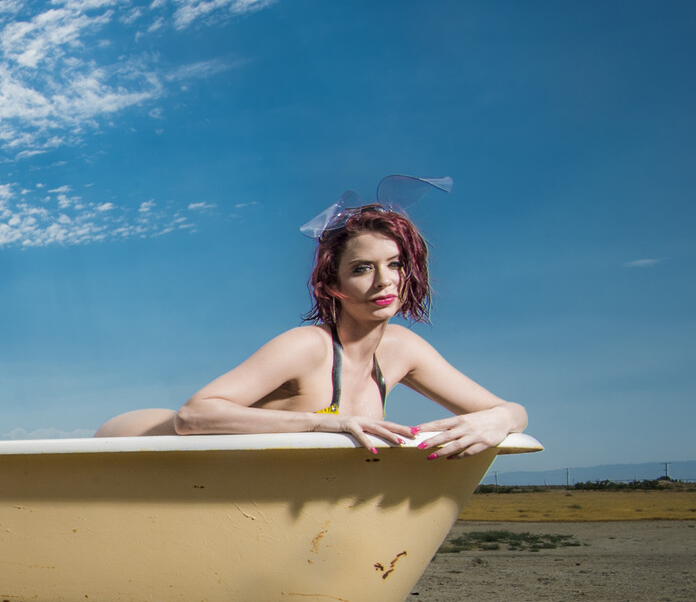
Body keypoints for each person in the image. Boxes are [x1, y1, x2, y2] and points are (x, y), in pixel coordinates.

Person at [96, 180, 526, 458]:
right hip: (135, 443)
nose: (384, 281)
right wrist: (325, 422)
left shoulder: (404, 350)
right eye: (362, 268)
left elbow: (508, 409)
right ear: (332, 284)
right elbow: (191, 417)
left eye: (395, 264)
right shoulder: (308, 346)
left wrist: (500, 420)